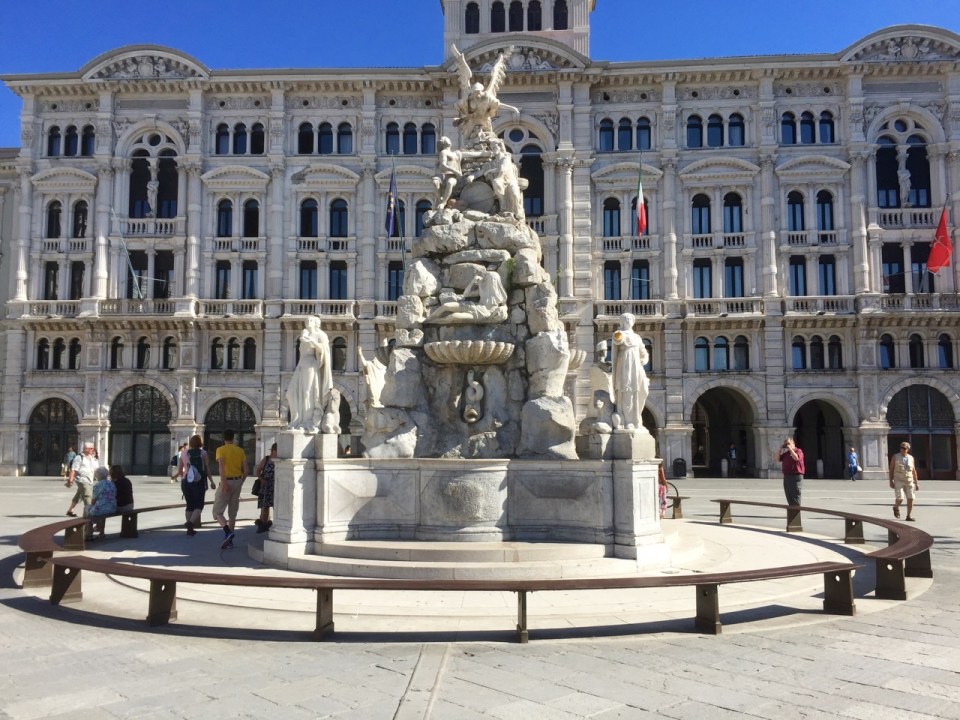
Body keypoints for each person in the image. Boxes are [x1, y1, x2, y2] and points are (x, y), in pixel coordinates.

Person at [286, 316, 333, 433]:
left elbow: (324, 351)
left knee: (308, 392)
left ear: (316, 323)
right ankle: (296, 420)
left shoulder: (321, 335)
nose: (307, 322)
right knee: (291, 393)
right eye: (306, 321)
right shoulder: (304, 333)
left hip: (311, 364)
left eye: (310, 320)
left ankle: (308, 421)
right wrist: (305, 337)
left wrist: (312, 342)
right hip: (301, 364)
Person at [610, 313, 650, 430]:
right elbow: (616, 341)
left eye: (629, 319)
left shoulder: (637, 337)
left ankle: (636, 418)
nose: (628, 321)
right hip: (625, 365)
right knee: (627, 391)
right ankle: (628, 421)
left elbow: (643, 351)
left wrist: (645, 359)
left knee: (641, 390)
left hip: (636, 366)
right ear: (621, 322)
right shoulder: (619, 334)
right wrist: (618, 336)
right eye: (625, 319)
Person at [213, 429, 248, 549]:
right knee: (232, 514)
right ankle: (230, 542)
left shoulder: (220, 450)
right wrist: (240, 483)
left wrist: (224, 482)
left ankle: (228, 532)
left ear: (224, 438)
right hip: (238, 480)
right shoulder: (240, 451)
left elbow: (221, 467)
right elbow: (246, 471)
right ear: (234, 438)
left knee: (217, 511)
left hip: (226, 481)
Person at [179, 434, 214, 537]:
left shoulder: (184, 452)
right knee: (199, 505)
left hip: (186, 481)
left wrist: (184, 477)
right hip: (199, 481)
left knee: (189, 505)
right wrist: (211, 481)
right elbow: (206, 468)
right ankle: (190, 523)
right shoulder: (203, 453)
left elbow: (180, 469)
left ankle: (190, 529)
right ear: (200, 443)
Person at [65, 441, 98, 517]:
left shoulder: (91, 457)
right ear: (86, 449)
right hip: (82, 479)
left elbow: (94, 468)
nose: (92, 450)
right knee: (87, 495)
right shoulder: (79, 457)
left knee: (79, 495)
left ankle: (70, 510)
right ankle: (89, 513)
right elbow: (73, 469)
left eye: (93, 449)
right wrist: (70, 480)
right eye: (91, 449)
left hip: (89, 479)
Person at [889, 442, 919, 521]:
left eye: (904, 448)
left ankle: (908, 516)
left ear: (908, 449)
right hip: (899, 479)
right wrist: (891, 481)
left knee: (911, 498)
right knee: (900, 498)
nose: (902, 449)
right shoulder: (895, 457)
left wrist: (916, 482)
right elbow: (891, 469)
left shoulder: (911, 458)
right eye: (901, 448)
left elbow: (914, 470)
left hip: (909, 480)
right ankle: (896, 507)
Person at [87, 466, 116, 540]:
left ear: (97, 476)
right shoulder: (111, 484)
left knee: (87, 509)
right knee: (104, 509)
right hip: (112, 507)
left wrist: (90, 508)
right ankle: (101, 532)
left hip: (102, 508)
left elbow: (93, 500)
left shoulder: (98, 485)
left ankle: (88, 534)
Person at [774, 436, 805, 506]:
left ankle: (796, 511)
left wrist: (791, 449)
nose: (787, 446)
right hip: (787, 475)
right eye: (786, 444)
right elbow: (776, 458)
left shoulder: (798, 451)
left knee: (795, 493)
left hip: (796, 476)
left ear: (793, 443)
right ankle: (791, 510)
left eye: (789, 443)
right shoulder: (786, 454)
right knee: (788, 494)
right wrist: (780, 448)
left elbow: (796, 458)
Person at [255, 443, 277, 534]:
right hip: (267, 486)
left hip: (277, 487)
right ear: (273, 450)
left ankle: (277, 524)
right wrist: (262, 479)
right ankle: (263, 525)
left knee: (278, 507)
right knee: (265, 507)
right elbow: (258, 471)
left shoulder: (280, 460)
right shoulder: (267, 459)